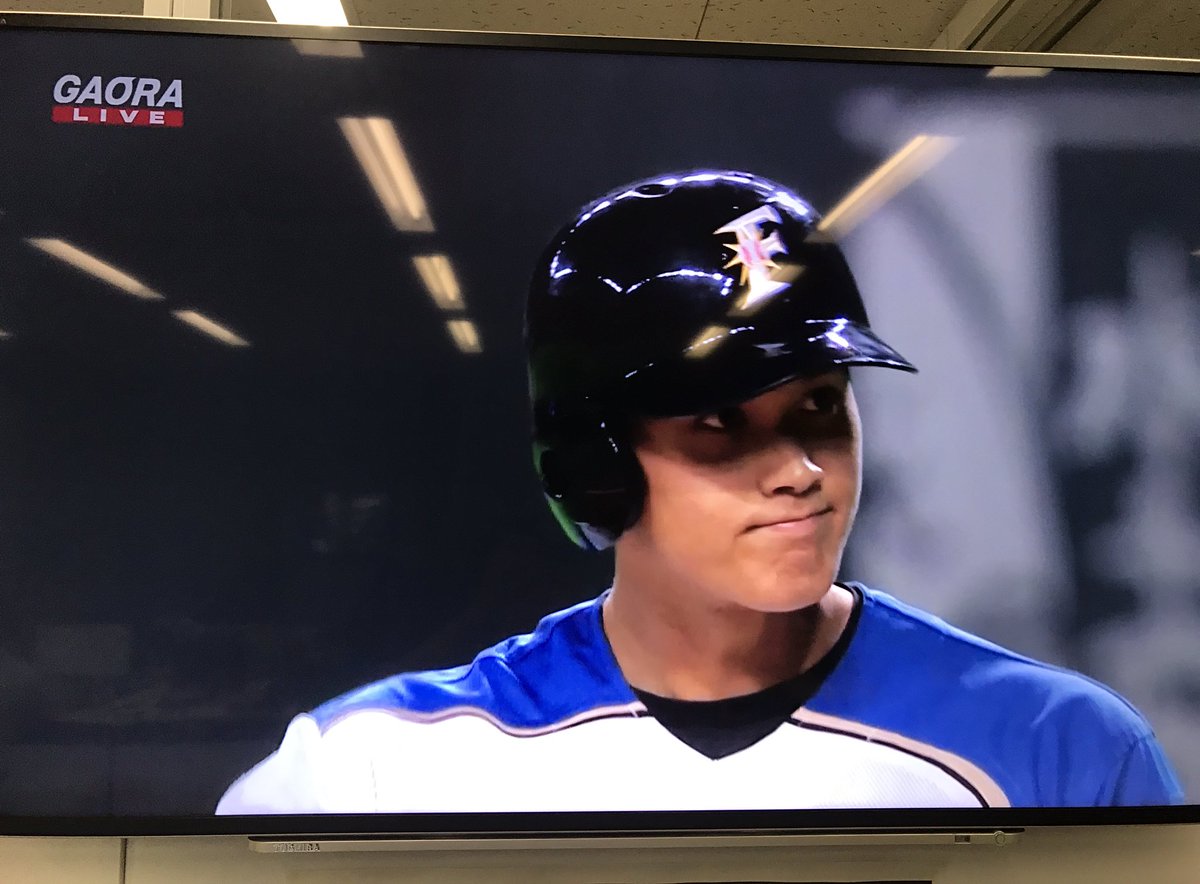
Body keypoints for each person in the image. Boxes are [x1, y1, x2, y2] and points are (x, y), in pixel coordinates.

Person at [216, 171, 1183, 814]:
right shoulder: (374, 767)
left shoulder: (1064, 748)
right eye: (720, 422)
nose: (800, 469)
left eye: (819, 406)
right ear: (594, 461)